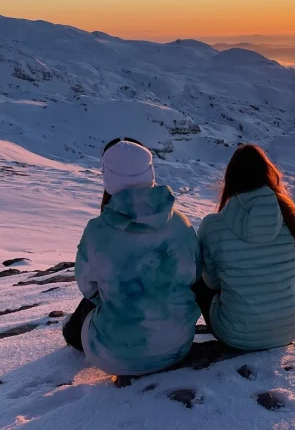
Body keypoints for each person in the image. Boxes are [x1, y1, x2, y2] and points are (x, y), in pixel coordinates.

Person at [63, 137, 200, 376]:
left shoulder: (98, 231)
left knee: (87, 312)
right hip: (178, 346)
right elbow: (194, 273)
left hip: (118, 358)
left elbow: (87, 287)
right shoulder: (180, 222)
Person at [194, 144, 295, 351]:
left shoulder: (213, 225)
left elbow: (211, 282)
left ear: (230, 179)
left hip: (237, 335)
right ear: (268, 175)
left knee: (197, 279)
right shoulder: (291, 219)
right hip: (293, 327)